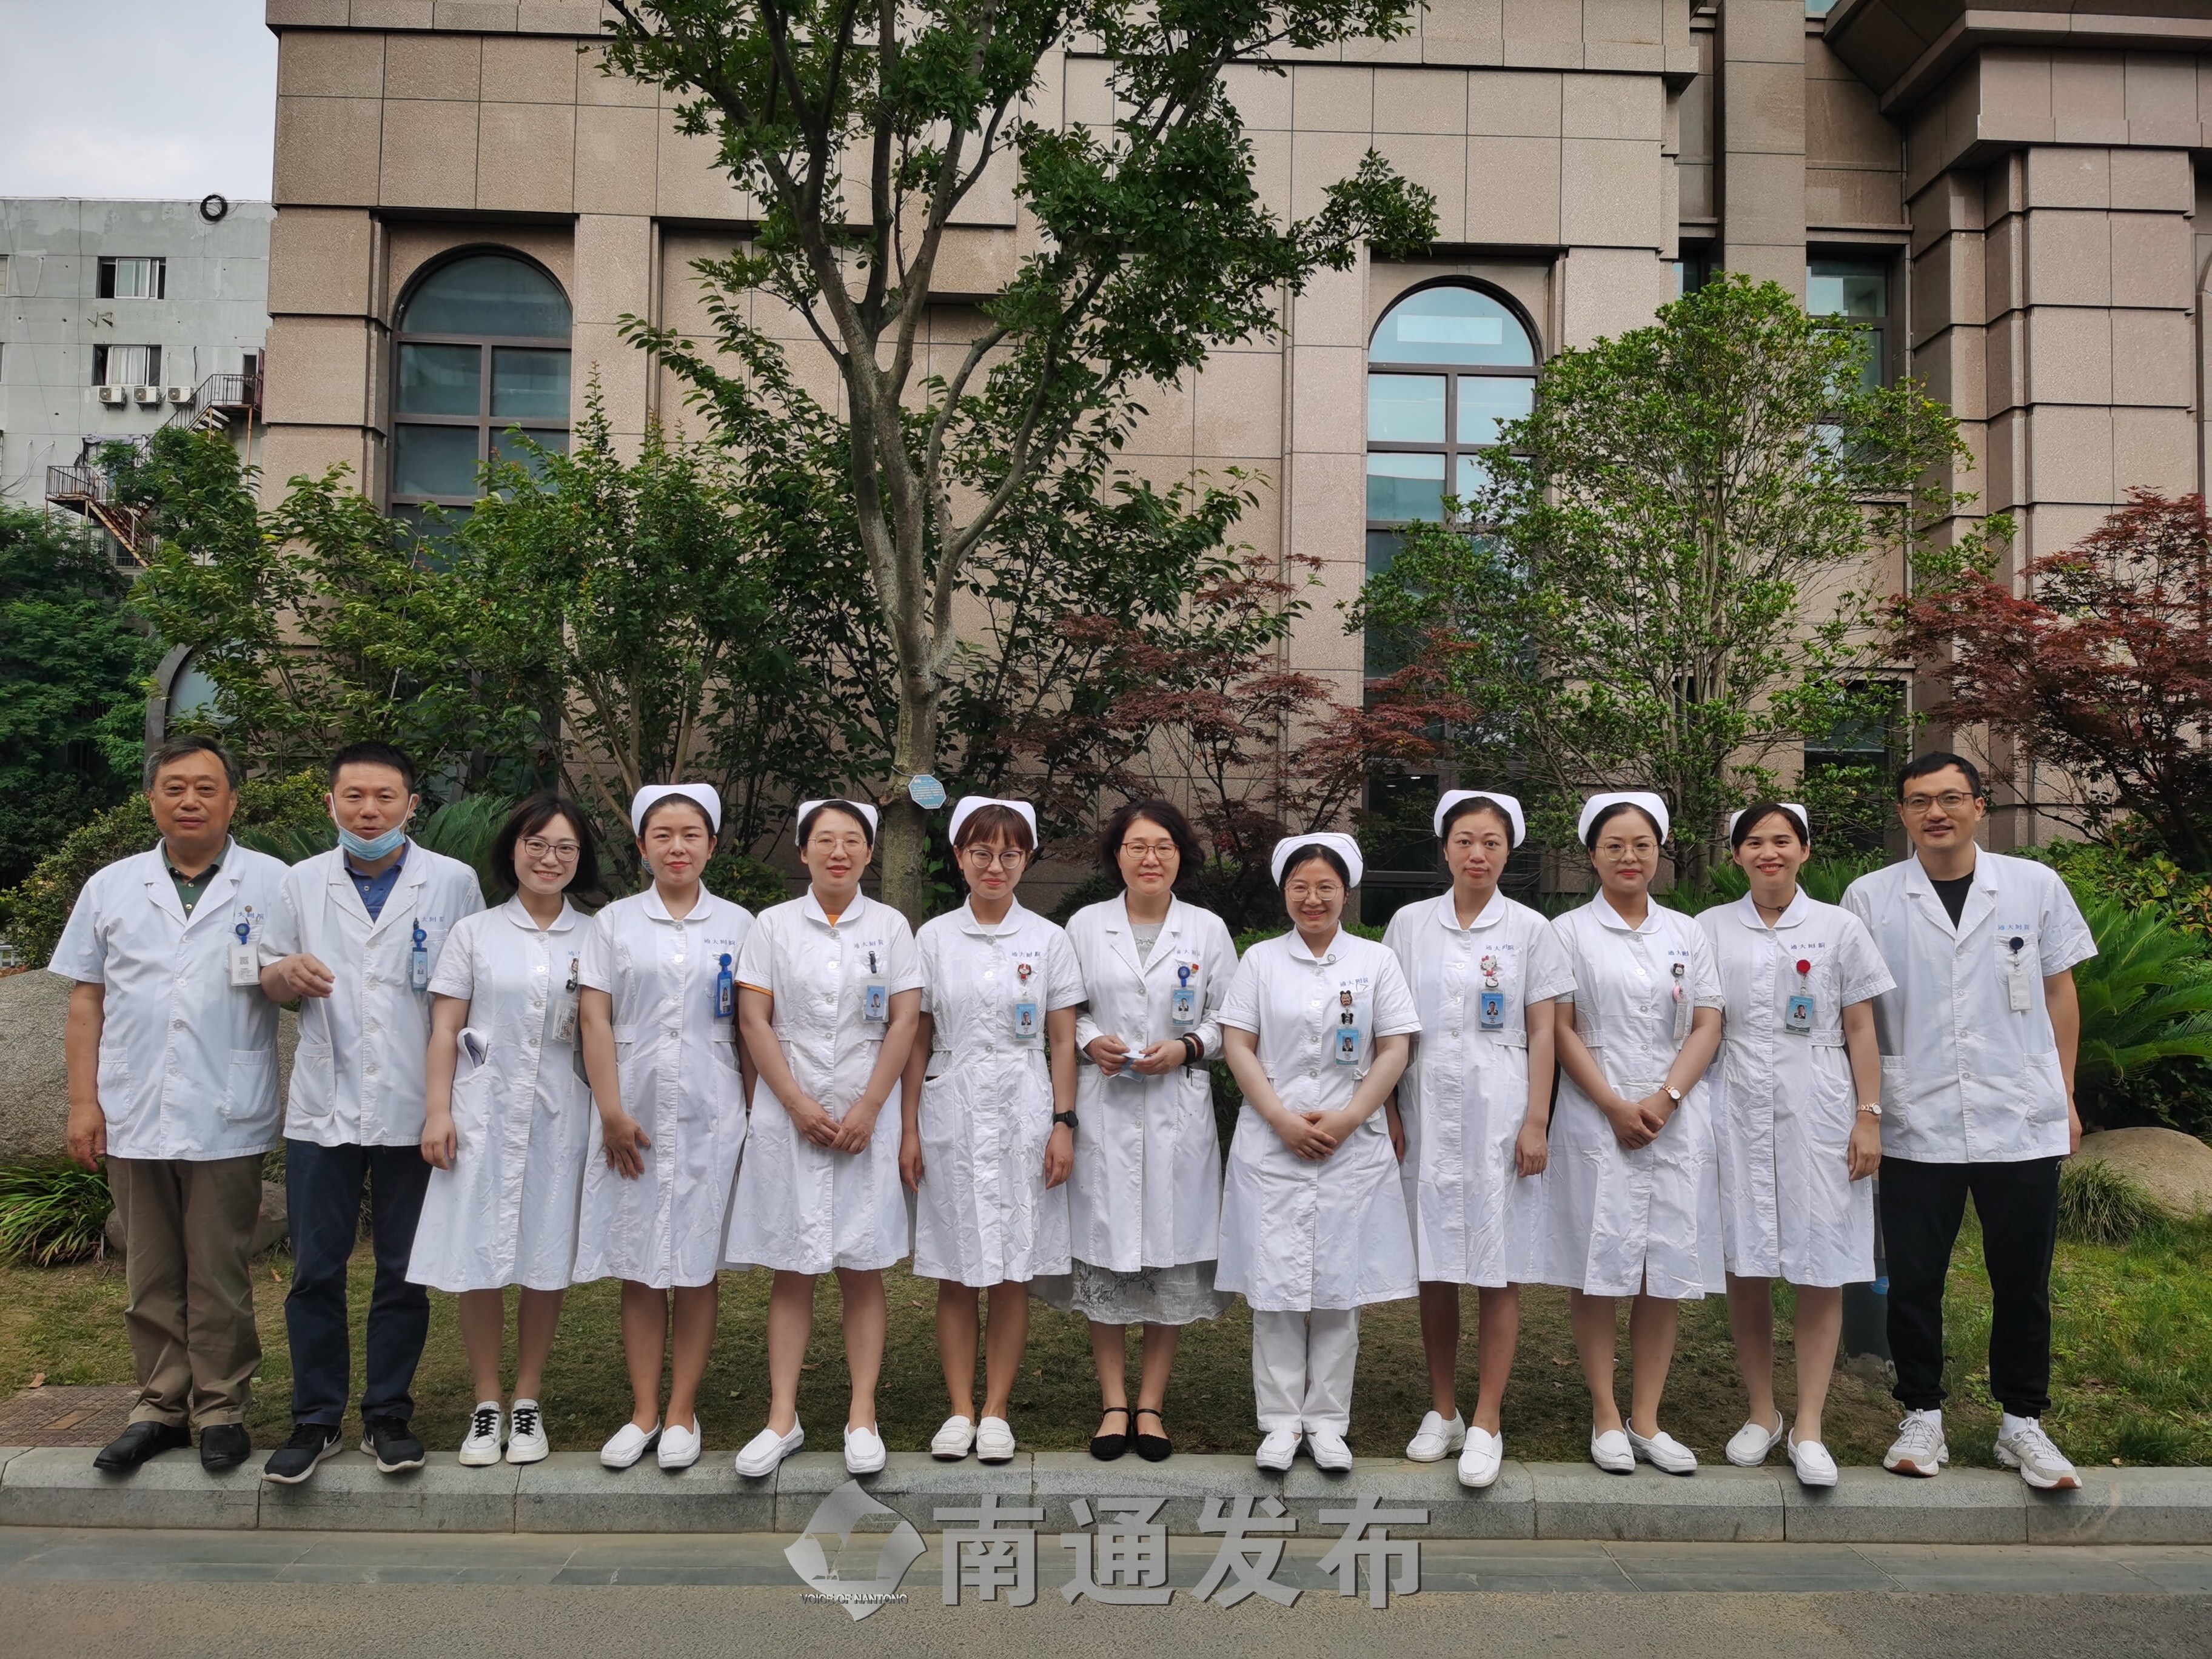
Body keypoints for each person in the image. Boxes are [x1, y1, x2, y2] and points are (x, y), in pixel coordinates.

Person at [1842, 753, 2095, 1491]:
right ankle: (1921, 1412)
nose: (1936, 813)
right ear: (1902, 813)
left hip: (2019, 1111)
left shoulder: (2033, 885)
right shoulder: (1870, 898)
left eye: (1951, 798)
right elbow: (1858, 1014)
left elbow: (2060, 992)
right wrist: (1867, 1110)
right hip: (1915, 1115)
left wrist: (2065, 1093)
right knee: (1915, 1278)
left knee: (2023, 1278)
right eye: (1919, 801)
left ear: (1980, 805)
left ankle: (2023, 1422)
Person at [53, 737, 290, 1475]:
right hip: (133, 1107)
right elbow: (86, 1000)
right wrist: (83, 1102)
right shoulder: (112, 886)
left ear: (232, 801)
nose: (191, 801)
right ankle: (159, 1407)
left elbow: (300, 980)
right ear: (152, 798)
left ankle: (221, 1408)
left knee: (219, 1272)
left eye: (206, 788)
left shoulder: (275, 882)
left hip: (226, 1107)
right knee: (150, 1271)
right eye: (175, 787)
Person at [258, 742, 484, 1484]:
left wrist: (455, 1101)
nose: (368, 811)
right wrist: (283, 973)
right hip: (323, 1106)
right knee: (315, 1271)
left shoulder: (452, 882)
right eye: (353, 796)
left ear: (412, 805)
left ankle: (388, 1414)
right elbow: (265, 974)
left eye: (385, 797)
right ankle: (315, 1418)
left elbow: (474, 988)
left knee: (403, 1271)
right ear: (330, 803)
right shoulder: (298, 882)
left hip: (419, 1105)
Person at [725, 799, 922, 1480]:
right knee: (793, 1265)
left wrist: (870, 1106)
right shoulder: (772, 925)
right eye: (826, 841)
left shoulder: (891, 926)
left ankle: (862, 1415)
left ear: (869, 852)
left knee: (862, 1265)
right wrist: (794, 1103)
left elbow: (904, 1022)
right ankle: (783, 1417)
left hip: (868, 1114)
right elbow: (754, 1020)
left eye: (853, 841)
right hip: (790, 1110)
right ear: (803, 850)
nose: (839, 852)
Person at [1699, 802, 1893, 1489]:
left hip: (1821, 1103)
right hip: (1734, 1102)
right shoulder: (1709, 928)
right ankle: (1762, 1412)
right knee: (1745, 1261)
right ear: (1737, 855)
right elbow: (1698, 1024)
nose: (1768, 852)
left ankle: (1809, 1424)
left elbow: (1862, 1029)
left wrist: (1869, 1116)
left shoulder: (1841, 927)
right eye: (1753, 841)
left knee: (1821, 1261)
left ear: (1805, 850)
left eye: (1782, 840)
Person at [1382, 791, 1574, 1489]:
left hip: (1502, 1113)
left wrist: (1536, 1120)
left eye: (1491, 842)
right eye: (1465, 840)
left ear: (1508, 850)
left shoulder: (1531, 930)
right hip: (1427, 1111)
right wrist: (1389, 1111)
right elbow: (1389, 1026)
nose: (1477, 854)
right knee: (1435, 1266)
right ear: (1445, 848)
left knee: (1499, 1266)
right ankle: (1444, 1411)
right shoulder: (1409, 925)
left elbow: (1546, 1031)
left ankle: (1488, 1419)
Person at [406, 794, 603, 1467]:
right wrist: (438, 1110)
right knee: (479, 1256)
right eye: (536, 844)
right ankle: (486, 1402)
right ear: (512, 849)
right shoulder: (475, 934)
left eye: (565, 848)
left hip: (562, 1113)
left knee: (546, 1254)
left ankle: (527, 1401)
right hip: (481, 1113)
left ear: (581, 858)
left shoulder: (596, 936)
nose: (550, 858)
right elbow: (445, 1028)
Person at [1042, 798, 1237, 1463]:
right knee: (1106, 1247)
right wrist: (1091, 1040)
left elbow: (1230, 1021)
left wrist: (1187, 1047)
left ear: (1181, 855)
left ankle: (1150, 1404)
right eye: (1137, 847)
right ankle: (1113, 1403)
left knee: (1167, 1252)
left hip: (1177, 1106)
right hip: (1105, 1106)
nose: (1150, 859)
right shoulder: (1084, 926)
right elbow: (1066, 1009)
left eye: (1163, 847)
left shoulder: (1207, 930)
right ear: (1117, 856)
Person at [1218, 833, 1419, 1473]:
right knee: (1275, 1288)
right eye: (1300, 887)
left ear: (1345, 892)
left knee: (1339, 1284)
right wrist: (1280, 1118)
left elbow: (1394, 1047)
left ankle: (1329, 1423)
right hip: (1272, 1139)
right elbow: (1238, 1044)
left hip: (1350, 1143)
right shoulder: (1260, 962)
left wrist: (1352, 1116)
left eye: (1325, 887)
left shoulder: (1376, 962)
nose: (1313, 898)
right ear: (1285, 892)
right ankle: (1279, 1423)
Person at [1539, 792, 1726, 1476]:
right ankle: (1605, 1414)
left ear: (1659, 853)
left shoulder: (1688, 932)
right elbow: (1560, 1028)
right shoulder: (1567, 933)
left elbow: (1708, 1021)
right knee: (1597, 1268)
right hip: (1597, 1118)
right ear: (1592, 855)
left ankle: (1646, 1418)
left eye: (1642, 845)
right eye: (1614, 845)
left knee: (1662, 1270)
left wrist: (1667, 1098)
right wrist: (1615, 1105)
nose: (1629, 857)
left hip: (1674, 1118)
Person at [574, 783, 756, 1473]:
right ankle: (644, 1410)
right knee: (641, 1263)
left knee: (698, 1263)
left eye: (691, 835)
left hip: (714, 1107)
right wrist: (611, 1111)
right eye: (663, 836)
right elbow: (595, 1019)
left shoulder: (741, 924)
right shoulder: (613, 923)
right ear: (642, 846)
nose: (677, 848)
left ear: (712, 845)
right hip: (635, 1108)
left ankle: (682, 1411)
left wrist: (753, 1116)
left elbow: (752, 1027)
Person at [902, 796, 1084, 1464]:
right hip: (950, 1105)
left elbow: (1062, 1041)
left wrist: (1063, 1123)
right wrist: (909, 1128)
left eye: (1010, 854)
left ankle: (997, 1410)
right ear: (959, 856)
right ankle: (959, 1409)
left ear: (1026, 859)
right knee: (955, 1269)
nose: (995, 866)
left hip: (1024, 1106)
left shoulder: (1049, 939)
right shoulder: (932, 939)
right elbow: (916, 1040)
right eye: (981, 852)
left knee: (1012, 1268)